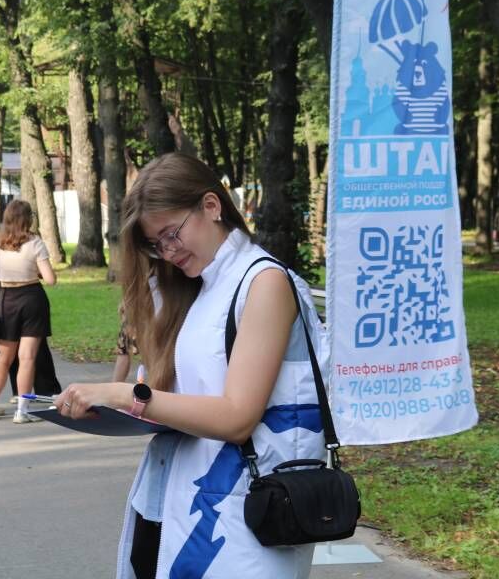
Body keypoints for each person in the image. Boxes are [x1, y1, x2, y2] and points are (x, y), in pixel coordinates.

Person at [55, 153, 326, 578]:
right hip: (175, 499)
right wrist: (119, 408)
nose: (167, 251)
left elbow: (237, 417)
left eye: (172, 234)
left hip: (244, 511)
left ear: (212, 206)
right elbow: (184, 399)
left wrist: (130, 395)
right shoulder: (199, 286)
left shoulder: (265, 282)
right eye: (156, 243)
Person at [0, 199, 57, 424]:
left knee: (3, 359)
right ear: (28, 219)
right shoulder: (35, 243)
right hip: (32, 300)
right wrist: (35, 272)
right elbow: (51, 279)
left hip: (6, 300)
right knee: (28, 358)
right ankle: (22, 411)